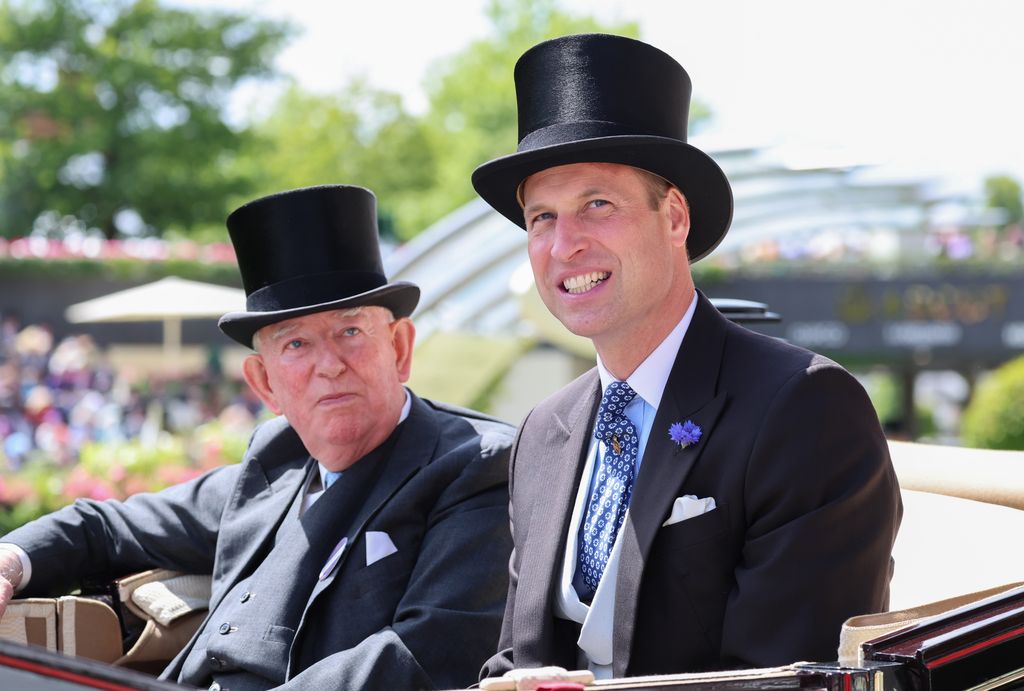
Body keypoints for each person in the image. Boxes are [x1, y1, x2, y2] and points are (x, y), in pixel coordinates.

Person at [471, 34, 902, 680]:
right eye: (541, 218)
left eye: (597, 205)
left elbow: (785, 681)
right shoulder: (541, 434)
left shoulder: (806, 409)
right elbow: (515, 658)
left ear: (674, 216)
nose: (565, 245)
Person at [0, 185, 514, 690]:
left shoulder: (475, 465)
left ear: (400, 348)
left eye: (350, 331)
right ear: (265, 383)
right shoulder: (276, 461)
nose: (329, 365)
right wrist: (11, 560)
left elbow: (425, 655)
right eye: (296, 343)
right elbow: (104, 527)